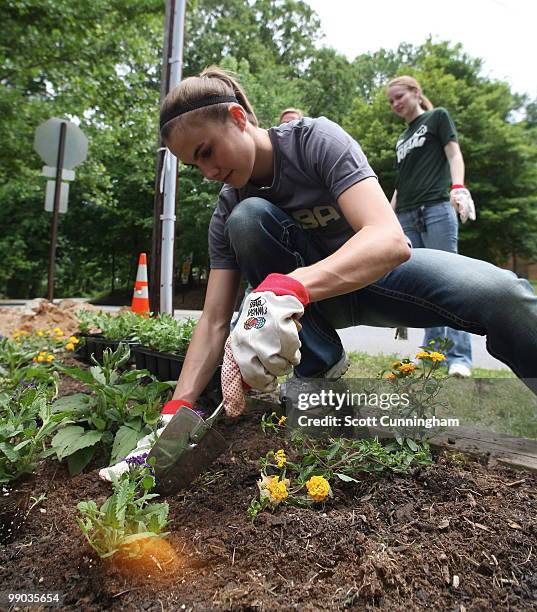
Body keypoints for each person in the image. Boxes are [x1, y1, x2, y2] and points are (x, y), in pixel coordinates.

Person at [100, 66, 537, 480]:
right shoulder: (230, 205)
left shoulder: (314, 141)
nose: (210, 172)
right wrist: (177, 409)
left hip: (378, 279)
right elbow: (213, 320)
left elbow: (389, 240)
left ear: (237, 118)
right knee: (248, 219)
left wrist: (289, 287)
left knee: (504, 294)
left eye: (207, 151)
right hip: (307, 313)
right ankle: (320, 371)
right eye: (196, 167)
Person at [386, 75, 475, 378]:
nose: (395, 103)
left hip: (437, 209)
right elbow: (402, 183)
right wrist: (387, 216)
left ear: (416, 93)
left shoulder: (437, 118)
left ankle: (459, 356)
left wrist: (459, 186)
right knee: (423, 286)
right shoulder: (401, 139)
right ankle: (431, 353)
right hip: (406, 215)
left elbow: (454, 153)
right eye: (391, 101)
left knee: (450, 281)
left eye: (399, 96)